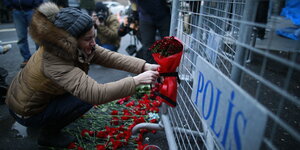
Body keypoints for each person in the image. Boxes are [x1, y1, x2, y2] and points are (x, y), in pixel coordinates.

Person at [5, 2, 159, 148]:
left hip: (34, 99)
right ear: (70, 40)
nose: (94, 43)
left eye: (94, 36)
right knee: (84, 97)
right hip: (26, 112)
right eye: (88, 39)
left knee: (82, 89)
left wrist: (144, 66)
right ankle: (48, 135)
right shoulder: (53, 60)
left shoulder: (64, 44)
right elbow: (95, 93)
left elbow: (108, 56)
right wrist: (137, 81)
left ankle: (52, 117)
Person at [4, 0, 43, 68]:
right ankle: (26, 59)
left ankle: (39, 58)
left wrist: (36, 5)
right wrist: (9, 6)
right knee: (21, 38)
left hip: (31, 10)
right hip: (17, 11)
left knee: (37, 35)